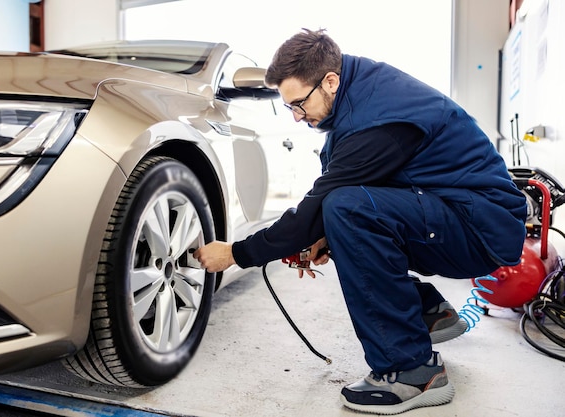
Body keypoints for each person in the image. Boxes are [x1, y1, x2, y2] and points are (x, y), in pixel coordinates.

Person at [193, 28, 526, 414]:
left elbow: (323, 204)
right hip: (457, 214)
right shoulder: (359, 95)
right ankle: (427, 313)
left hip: (478, 229)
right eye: (290, 108)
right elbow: (352, 194)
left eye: (299, 104)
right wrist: (324, 236)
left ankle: (412, 372)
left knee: (345, 209)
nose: (298, 117)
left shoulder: (378, 120)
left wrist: (236, 253)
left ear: (330, 81)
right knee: (342, 214)